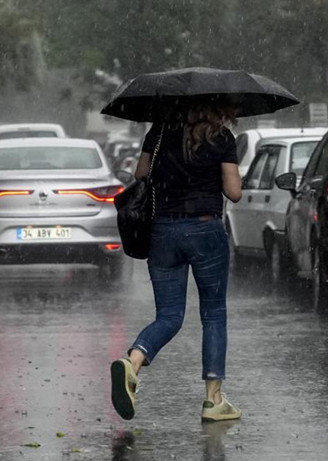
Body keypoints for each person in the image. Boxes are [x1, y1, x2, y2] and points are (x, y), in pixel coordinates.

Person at [109, 98, 243, 422]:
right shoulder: (222, 137)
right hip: (205, 229)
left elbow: (141, 175)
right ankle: (213, 400)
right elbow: (234, 192)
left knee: (169, 315)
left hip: (164, 231)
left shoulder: (159, 133)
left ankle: (133, 362)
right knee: (213, 314)